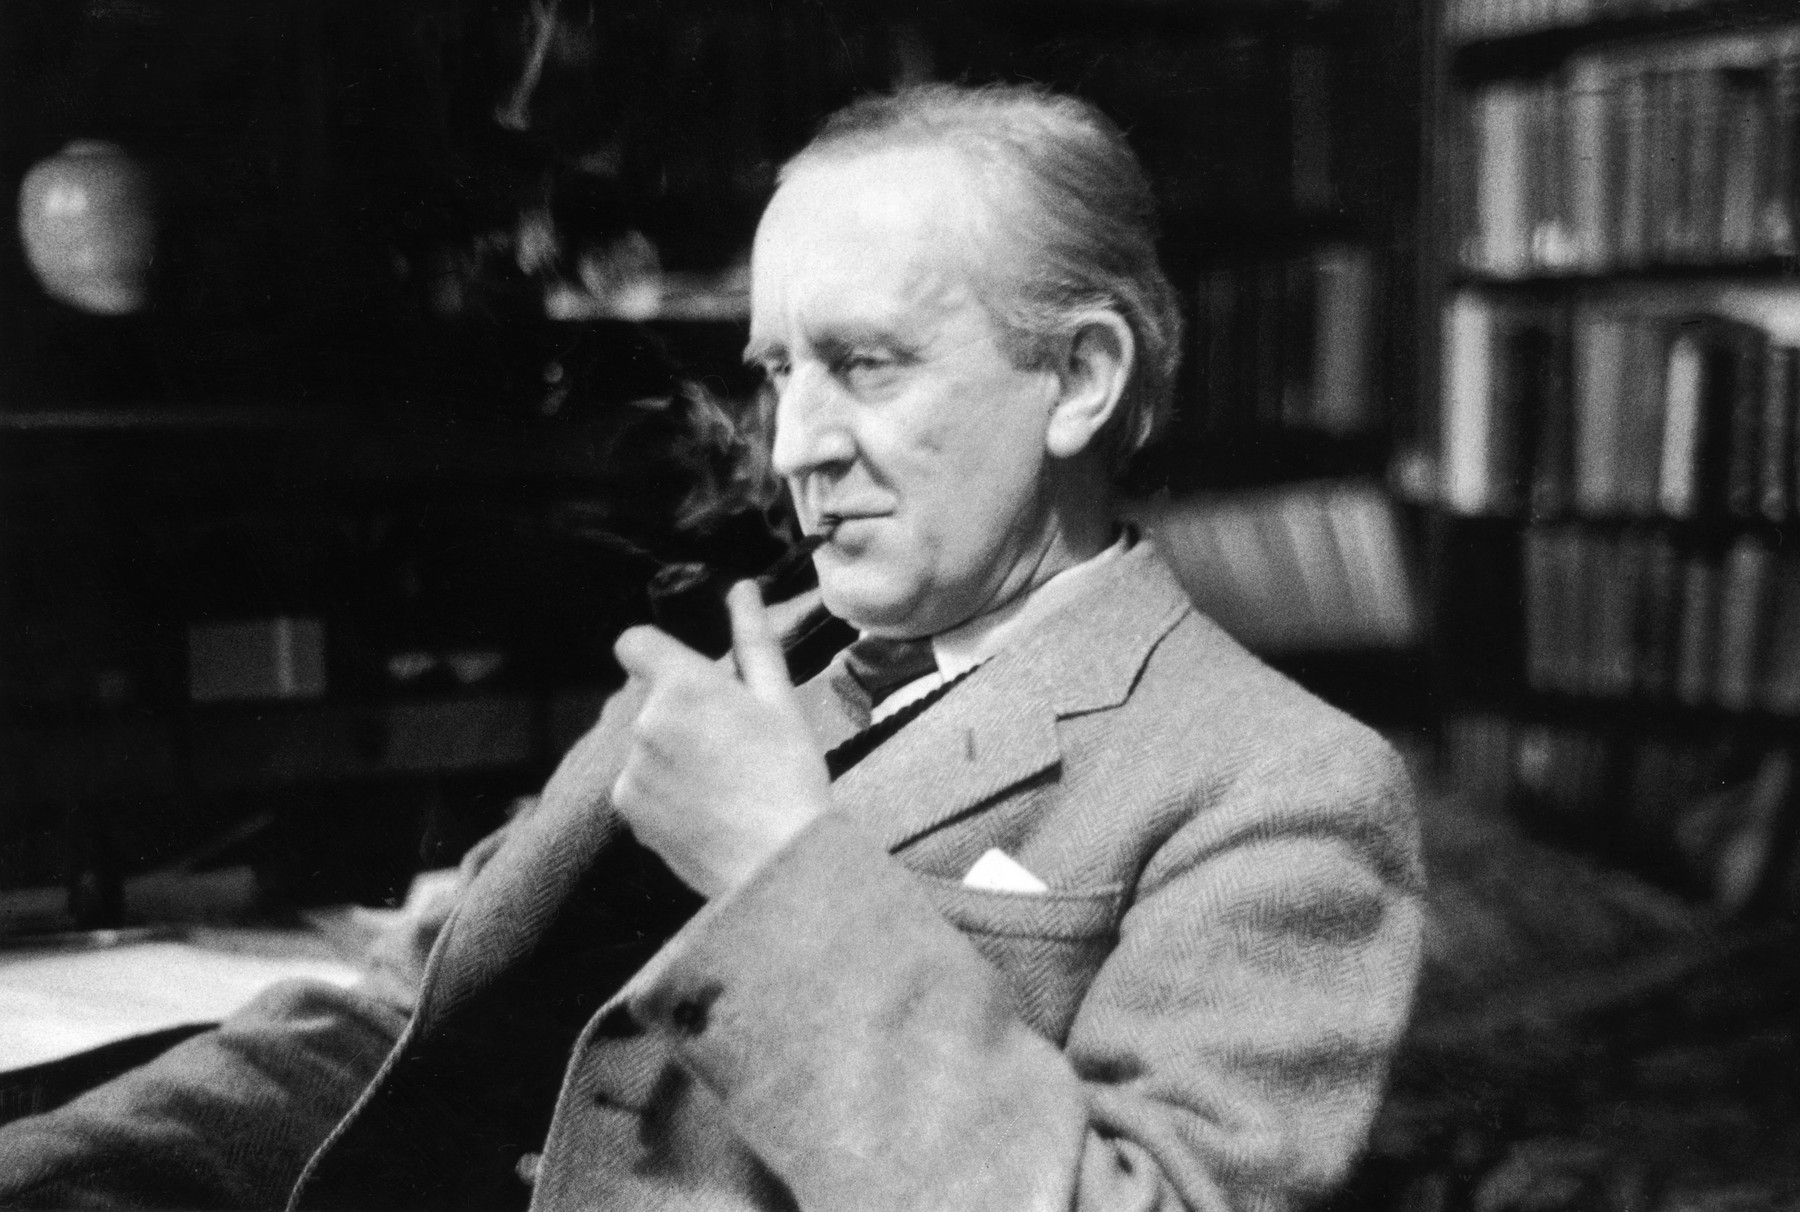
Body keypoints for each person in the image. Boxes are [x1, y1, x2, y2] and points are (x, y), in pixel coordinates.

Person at [0, 82, 1422, 1211]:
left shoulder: (1280, 787)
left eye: (865, 365)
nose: (795, 449)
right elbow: (394, 1033)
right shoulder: (747, 671)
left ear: (1082, 379)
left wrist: (779, 871)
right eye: (777, 374)